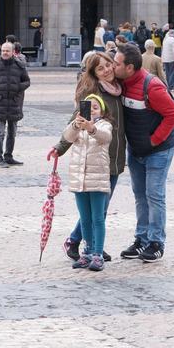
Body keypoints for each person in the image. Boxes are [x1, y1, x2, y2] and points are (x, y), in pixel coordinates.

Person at [52, 52, 126, 263]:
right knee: (97, 209)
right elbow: (75, 121)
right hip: (95, 158)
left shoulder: (120, 87)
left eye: (108, 65)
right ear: (94, 73)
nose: (107, 70)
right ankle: (80, 243)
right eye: (100, 69)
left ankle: (92, 247)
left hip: (115, 155)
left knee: (101, 208)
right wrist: (61, 147)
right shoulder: (91, 91)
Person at [114, 43, 174, 262]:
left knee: (154, 195)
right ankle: (141, 240)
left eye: (116, 63)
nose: (113, 66)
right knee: (140, 196)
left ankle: (156, 242)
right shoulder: (120, 83)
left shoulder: (152, 86)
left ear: (130, 68)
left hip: (158, 150)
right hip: (136, 150)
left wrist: (154, 140)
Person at [62, 95, 114, 272]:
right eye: (88, 107)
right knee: (85, 219)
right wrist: (76, 125)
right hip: (80, 180)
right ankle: (87, 253)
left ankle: (98, 254)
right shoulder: (77, 126)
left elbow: (105, 137)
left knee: (97, 218)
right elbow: (67, 136)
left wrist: (91, 128)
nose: (91, 110)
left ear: (102, 112)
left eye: (95, 108)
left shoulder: (104, 125)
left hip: (97, 180)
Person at [0, 42, 30, 167]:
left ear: (13, 52)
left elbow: (27, 81)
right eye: (3, 50)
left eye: (7, 51)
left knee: (12, 133)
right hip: (0, 103)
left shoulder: (19, 66)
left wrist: (18, 87)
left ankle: (8, 156)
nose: (5, 53)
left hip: (14, 103)